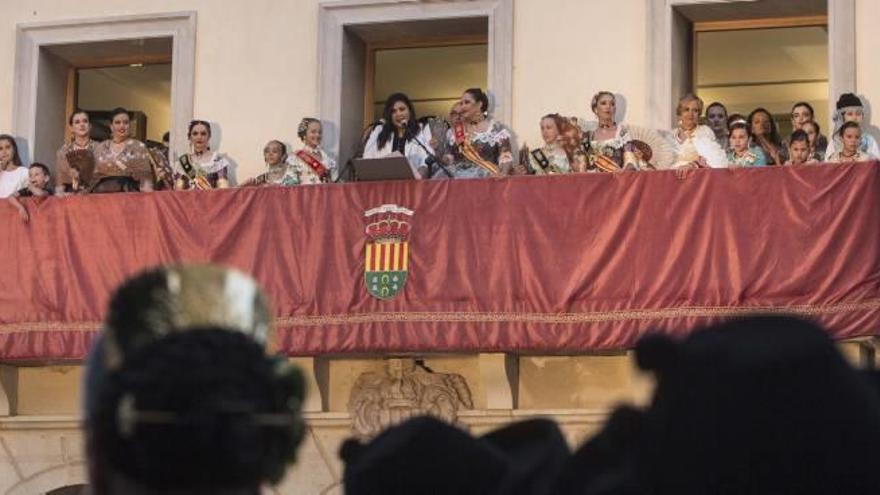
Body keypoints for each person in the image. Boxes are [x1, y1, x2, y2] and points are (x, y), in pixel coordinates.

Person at [443, 88, 514, 178]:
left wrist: (503, 173)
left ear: (479, 105)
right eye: (461, 103)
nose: (462, 107)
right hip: (459, 182)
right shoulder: (454, 131)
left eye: (467, 102)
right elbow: (448, 158)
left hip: (487, 181)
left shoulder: (496, 129)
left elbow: (505, 156)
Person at [363, 93, 435, 179]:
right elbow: (367, 159)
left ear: (410, 111)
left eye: (402, 109)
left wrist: (420, 176)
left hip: (413, 186)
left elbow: (428, 159)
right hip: (383, 185)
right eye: (393, 111)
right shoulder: (379, 130)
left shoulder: (422, 129)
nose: (398, 114)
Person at [579, 91, 645, 171]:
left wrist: (628, 168)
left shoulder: (622, 134)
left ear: (615, 109)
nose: (608, 107)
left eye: (612, 104)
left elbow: (629, 160)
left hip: (616, 180)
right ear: (595, 109)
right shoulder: (587, 137)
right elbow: (582, 166)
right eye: (603, 103)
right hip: (593, 181)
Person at [92, 107, 154, 193]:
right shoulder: (100, 147)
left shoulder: (138, 147)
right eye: (117, 123)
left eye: (126, 122)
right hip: (102, 197)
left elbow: (145, 176)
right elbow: (92, 177)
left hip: (129, 196)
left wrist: (148, 196)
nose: (122, 126)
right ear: (111, 126)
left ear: (130, 125)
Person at [669, 94, 727, 169]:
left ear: (699, 114)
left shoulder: (705, 131)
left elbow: (713, 161)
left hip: (699, 177)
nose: (691, 114)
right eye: (686, 109)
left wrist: (693, 165)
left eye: (695, 110)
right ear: (680, 114)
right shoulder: (670, 135)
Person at [174, 120, 232, 190]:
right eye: (195, 134)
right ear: (190, 137)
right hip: (188, 200)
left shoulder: (218, 161)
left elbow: (223, 191)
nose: (199, 137)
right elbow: (178, 192)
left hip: (210, 200)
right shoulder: (184, 161)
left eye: (203, 134)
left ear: (209, 136)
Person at [824, 93, 880, 161]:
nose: (854, 118)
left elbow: (876, 164)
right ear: (841, 117)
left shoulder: (869, 140)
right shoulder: (834, 141)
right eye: (850, 114)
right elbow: (828, 165)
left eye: (858, 114)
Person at [55, 109, 97, 195]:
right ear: (71, 128)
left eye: (85, 121)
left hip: (95, 194)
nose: (82, 125)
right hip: (72, 196)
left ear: (90, 126)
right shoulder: (63, 151)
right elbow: (60, 182)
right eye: (77, 122)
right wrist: (61, 193)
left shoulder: (100, 148)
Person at [288, 117, 337, 184]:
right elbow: (291, 186)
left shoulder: (327, 157)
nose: (317, 135)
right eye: (313, 132)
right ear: (304, 134)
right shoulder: (295, 158)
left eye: (320, 132)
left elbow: (333, 181)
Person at [0, 134, 29, 199]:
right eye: (0, 149)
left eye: (7, 147)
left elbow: (29, 194)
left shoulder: (24, 172)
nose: (4, 152)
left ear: (14, 150)